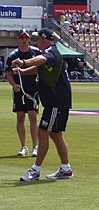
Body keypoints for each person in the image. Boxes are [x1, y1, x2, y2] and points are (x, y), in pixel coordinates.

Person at [11, 28, 73, 181]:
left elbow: (41, 60)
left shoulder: (51, 52)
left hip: (56, 102)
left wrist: (24, 62)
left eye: (38, 39)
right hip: (56, 102)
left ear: (45, 39)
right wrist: (24, 71)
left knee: (42, 133)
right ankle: (66, 169)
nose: (36, 41)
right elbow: (39, 68)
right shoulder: (49, 53)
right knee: (55, 134)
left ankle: (35, 170)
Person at [5, 29, 40, 157]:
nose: (24, 40)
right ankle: (23, 146)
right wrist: (14, 85)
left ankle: (35, 146)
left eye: (26, 37)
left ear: (29, 39)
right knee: (20, 117)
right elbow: (8, 73)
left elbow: (39, 69)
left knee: (33, 116)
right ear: (18, 39)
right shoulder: (13, 55)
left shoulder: (35, 53)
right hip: (19, 89)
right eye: (21, 37)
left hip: (32, 89)